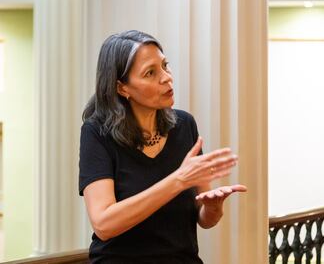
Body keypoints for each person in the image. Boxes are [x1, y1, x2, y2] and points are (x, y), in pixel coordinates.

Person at [79, 30, 247, 263]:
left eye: (165, 66)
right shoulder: (97, 132)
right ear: (122, 88)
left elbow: (205, 219)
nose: (167, 77)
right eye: (150, 73)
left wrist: (213, 207)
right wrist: (178, 180)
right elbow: (104, 224)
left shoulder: (184, 125)